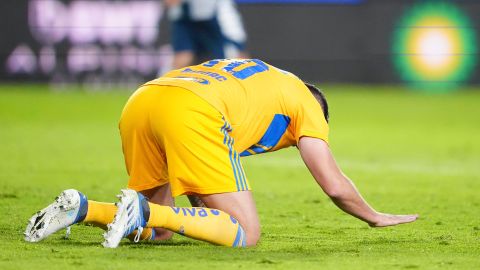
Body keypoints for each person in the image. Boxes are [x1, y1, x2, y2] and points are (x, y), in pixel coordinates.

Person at [24, 59, 418, 248]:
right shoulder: (307, 103)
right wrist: (374, 217)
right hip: (193, 110)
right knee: (246, 233)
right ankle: (139, 210)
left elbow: (203, 196)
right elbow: (333, 184)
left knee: (160, 230)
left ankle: (80, 208)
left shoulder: (268, 81)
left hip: (143, 101)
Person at [165, 0, 248, 70]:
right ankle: (161, 87)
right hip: (185, 18)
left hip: (215, 15)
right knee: (182, 58)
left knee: (235, 60)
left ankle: (249, 87)